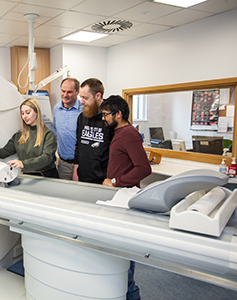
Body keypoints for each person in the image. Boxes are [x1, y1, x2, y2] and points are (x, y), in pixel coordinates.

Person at [101, 95, 152, 300]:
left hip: (125, 197)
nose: (104, 118)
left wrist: (115, 181)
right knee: (117, 248)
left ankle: (132, 294)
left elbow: (143, 168)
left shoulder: (129, 134)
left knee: (124, 251)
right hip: (117, 195)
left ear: (119, 114)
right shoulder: (119, 132)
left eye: (106, 114)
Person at [0, 98, 59, 178]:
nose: (24, 116)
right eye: (22, 113)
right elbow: (5, 151)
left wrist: (23, 164)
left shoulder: (48, 134)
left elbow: (47, 158)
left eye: (28, 112)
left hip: (46, 175)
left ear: (36, 112)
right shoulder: (19, 135)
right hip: (29, 176)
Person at [72, 78, 113, 184]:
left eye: (85, 98)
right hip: (83, 176)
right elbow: (78, 145)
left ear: (98, 96)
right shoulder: (82, 117)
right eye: (81, 97)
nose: (81, 101)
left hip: (103, 179)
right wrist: (76, 169)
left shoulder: (110, 119)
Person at [52, 77, 83, 179]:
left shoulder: (84, 110)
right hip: (63, 164)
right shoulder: (57, 109)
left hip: (82, 164)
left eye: (69, 92)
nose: (65, 95)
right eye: (63, 91)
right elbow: (55, 132)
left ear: (77, 92)